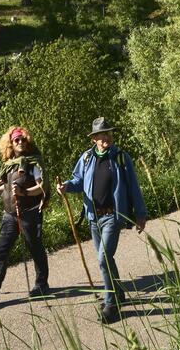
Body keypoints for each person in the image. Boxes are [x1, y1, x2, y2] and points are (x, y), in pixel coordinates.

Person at [56, 116, 147, 323]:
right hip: (93, 217)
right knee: (107, 260)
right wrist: (66, 187)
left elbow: (133, 187)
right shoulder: (87, 158)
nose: (105, 137)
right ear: (94, 138)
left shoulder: (121, 158)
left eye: (108, 133)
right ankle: (119, 294)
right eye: (101, 134)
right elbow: (78, 181)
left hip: (112, 216)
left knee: (103, 259)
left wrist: (140, 214)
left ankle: (111, 304)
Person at [0, 126, 50, 305]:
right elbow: (4, 189)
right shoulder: (8, 165)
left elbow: (41, 188)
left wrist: (23, 192)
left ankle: (41, 284)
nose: (21, 142)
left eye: (23, 139)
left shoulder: (33, 163)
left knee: (35, 249)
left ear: (27, 141)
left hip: (30, 214)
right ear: (11, 144)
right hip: (10, 215)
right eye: (17, 140)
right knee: (1, 252)